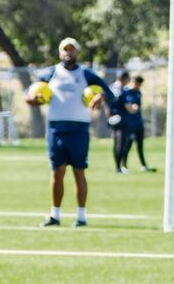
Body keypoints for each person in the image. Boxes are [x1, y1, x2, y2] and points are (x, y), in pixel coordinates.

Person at [26, 37, 117, 227]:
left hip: (79, 129)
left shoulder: (87, 74)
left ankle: (81, 216)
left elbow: (109, 93)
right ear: (60, 52)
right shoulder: (50, 73)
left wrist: (99, 97)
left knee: (79, 171)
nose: (69, 53)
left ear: (78, 52)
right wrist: (35, 99)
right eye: (65, 50)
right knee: (57, 172)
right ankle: (55, 215)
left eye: (72, 49)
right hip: (56, 128)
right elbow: (31, 95)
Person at [120, 75, 155, 172]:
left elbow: (137, 107)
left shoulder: (138, 93)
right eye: (137, 83)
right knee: (128, 145)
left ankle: (143, 165)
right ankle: (124, 165)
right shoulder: (126, 92)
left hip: (138, 123)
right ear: (133, 82)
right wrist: (131, 108)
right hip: (129, 124)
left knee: (140, 145)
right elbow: (128, 108)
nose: (138, 86)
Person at [109, 71, 131, 174]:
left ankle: (117, 166)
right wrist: (133, 109)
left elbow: (106, 103)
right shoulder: (123, 90)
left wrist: (109, 115)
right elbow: (128, 106)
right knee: (122, 143)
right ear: (124, 78)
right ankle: (119, 167)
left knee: (116, 143)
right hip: (123, 119)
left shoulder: (110, 88)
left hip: (113, 118)